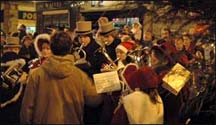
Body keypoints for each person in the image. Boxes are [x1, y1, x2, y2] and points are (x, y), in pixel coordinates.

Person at [20, 31, 102, 124]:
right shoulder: (79, 75)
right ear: (70, 48)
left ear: (52, 47)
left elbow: (27, 107)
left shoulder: (37, 74)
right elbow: (94, 99)